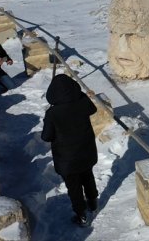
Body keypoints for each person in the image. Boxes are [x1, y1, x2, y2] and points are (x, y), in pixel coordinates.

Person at [41, 74, 100, 227]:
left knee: (74, 188)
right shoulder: (82, 101)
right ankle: (93, 202)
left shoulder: (53, 113)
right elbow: (93, 109)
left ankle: (82, 215)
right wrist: (79, 96)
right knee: (88, 177)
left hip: (67, 158)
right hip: (86, 151)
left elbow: (46, 136)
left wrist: (47, 120)